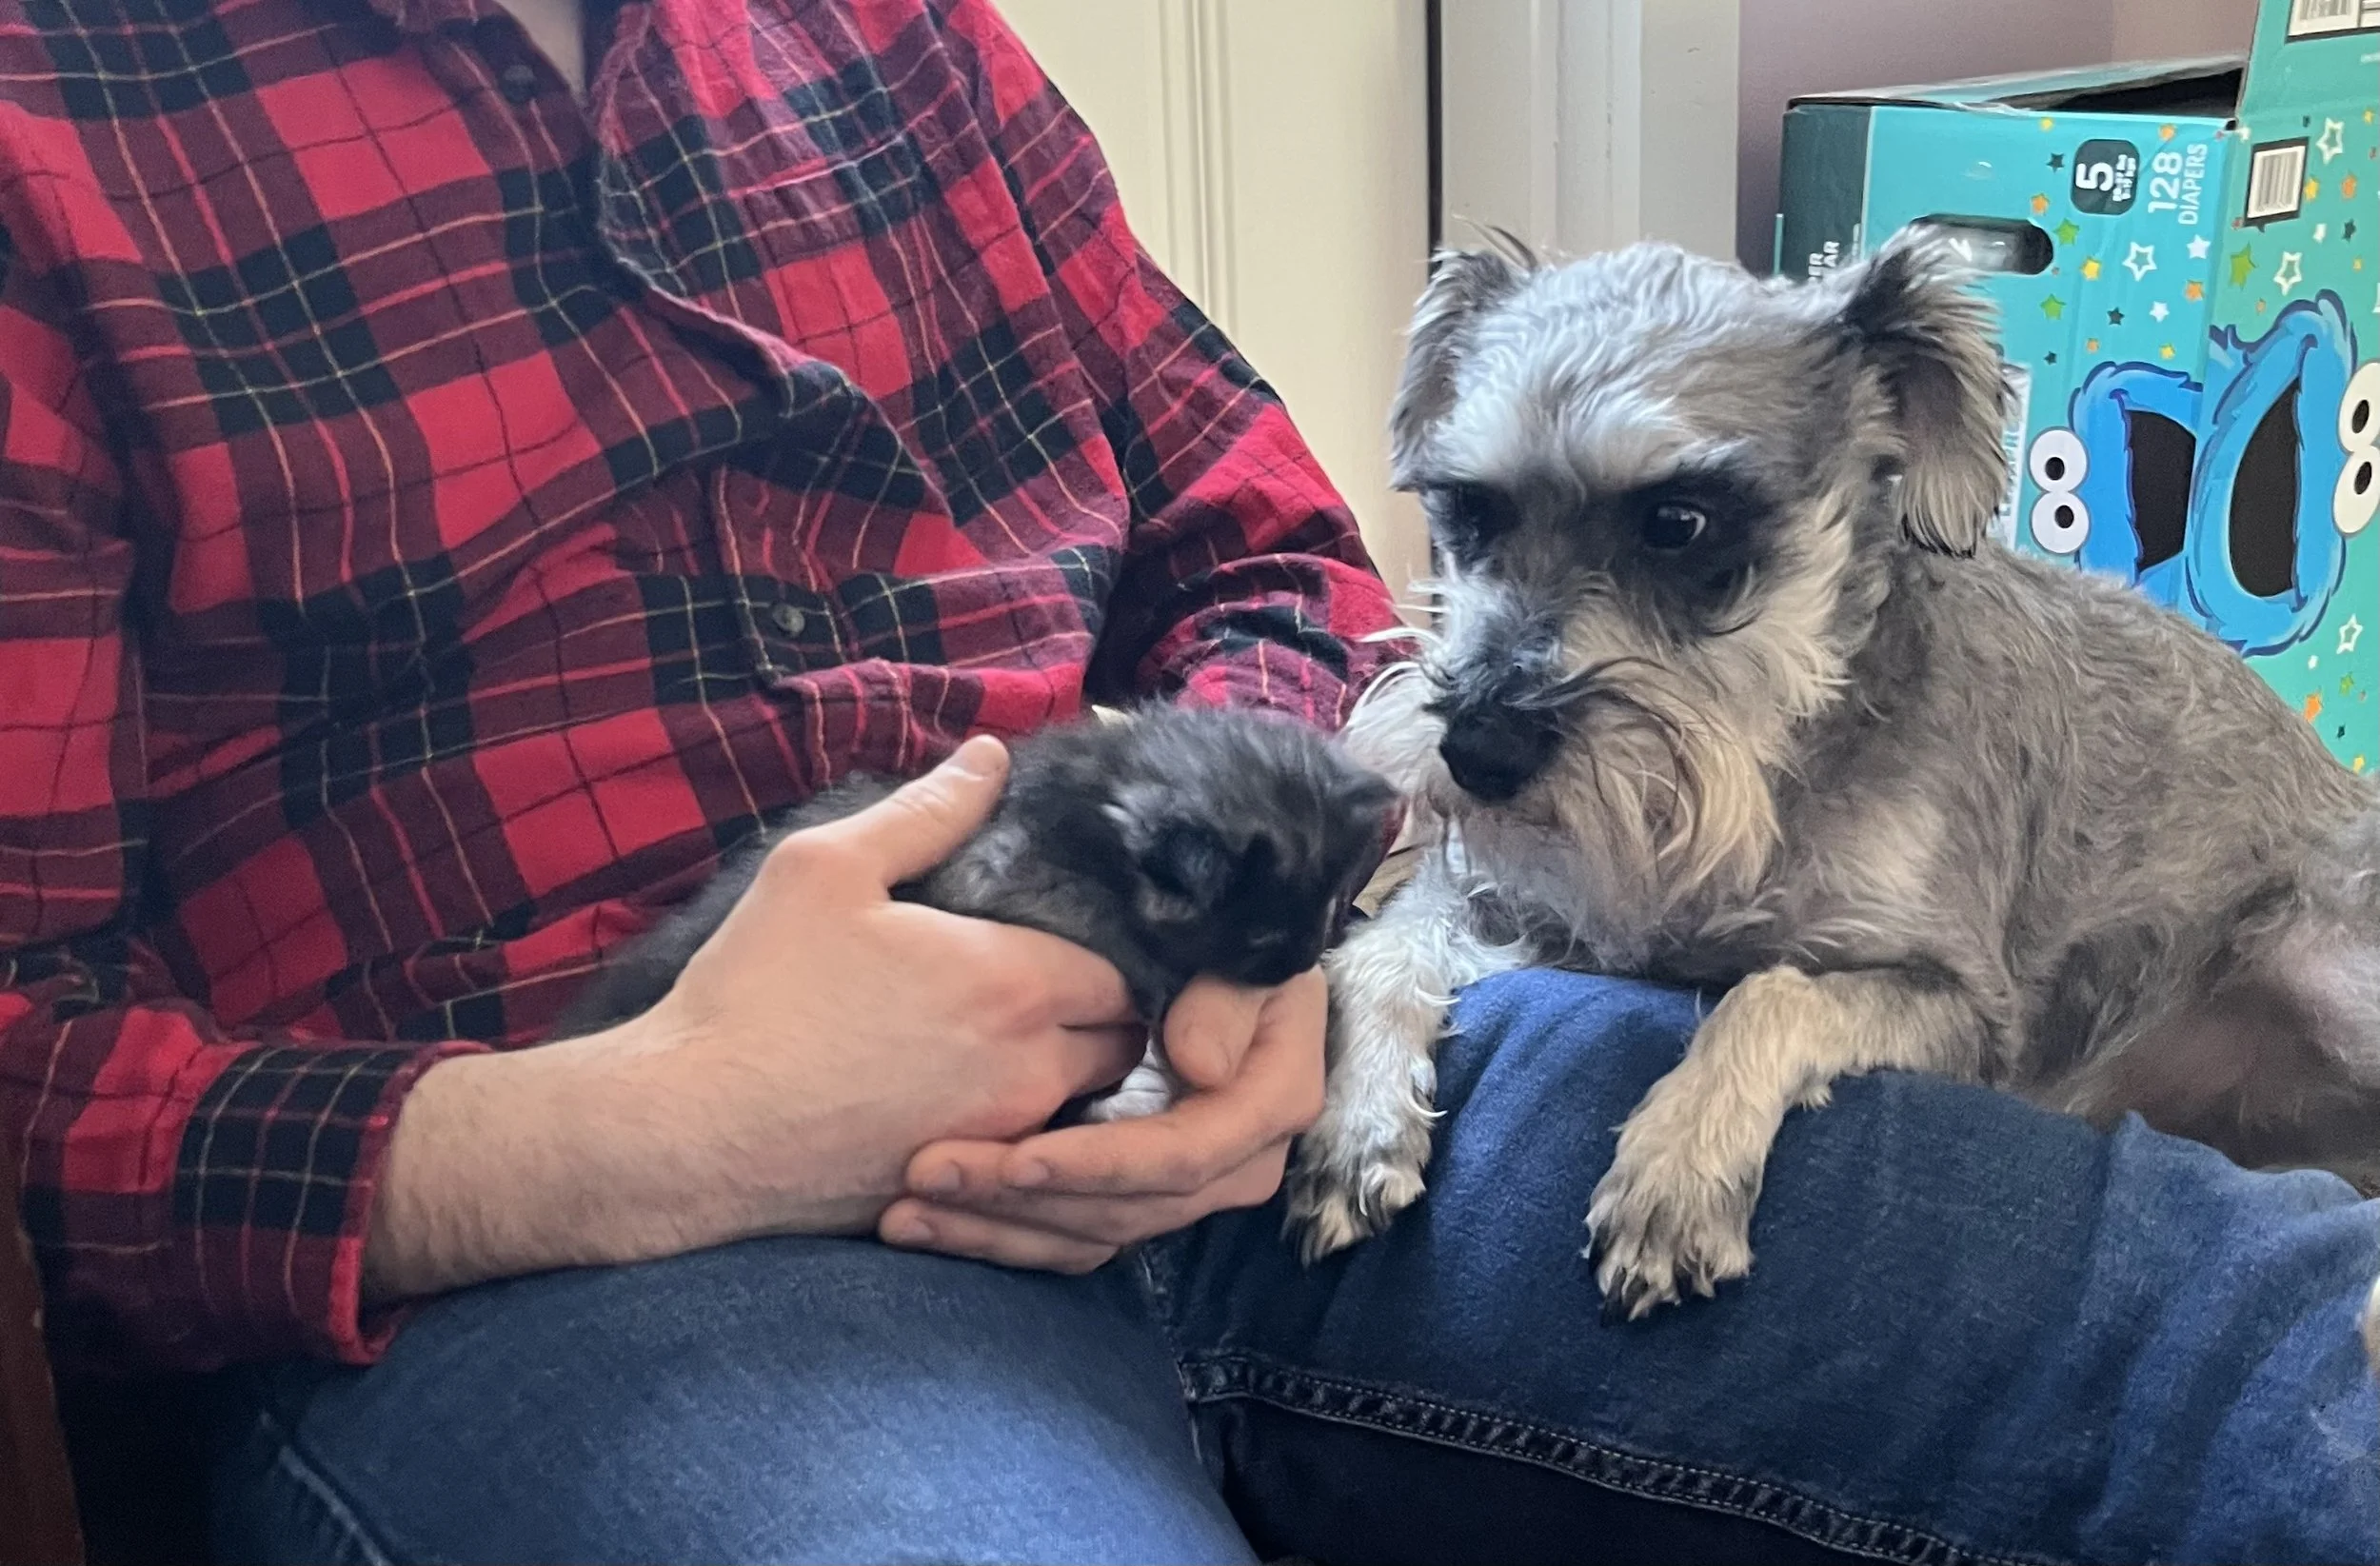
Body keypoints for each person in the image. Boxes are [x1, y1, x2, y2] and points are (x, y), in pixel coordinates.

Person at [0, 0, 2370, 1557]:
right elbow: (30, 1065)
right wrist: (632, 1134)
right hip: (599, 1243)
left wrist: (1289, 906)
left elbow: (1252, 559)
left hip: (1254, 1043)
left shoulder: (891, 42)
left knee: (2297, 1378)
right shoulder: (50, 119)